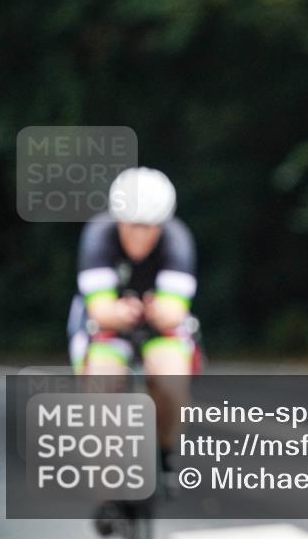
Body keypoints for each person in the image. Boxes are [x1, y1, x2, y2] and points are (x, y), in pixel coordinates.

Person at [68, 166, 198, 477]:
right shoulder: (98, 234)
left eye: (148, 227)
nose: (139, 235)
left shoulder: (177, 238)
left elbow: (175, 311)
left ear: (162, 224)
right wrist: (117, 313)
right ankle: (107, 486)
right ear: (118, 219)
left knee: (171, 381)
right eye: (131, 226)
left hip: (156, 326)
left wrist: (158, 312)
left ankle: (166, 450)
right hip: (107, 326)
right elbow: (100, 309)